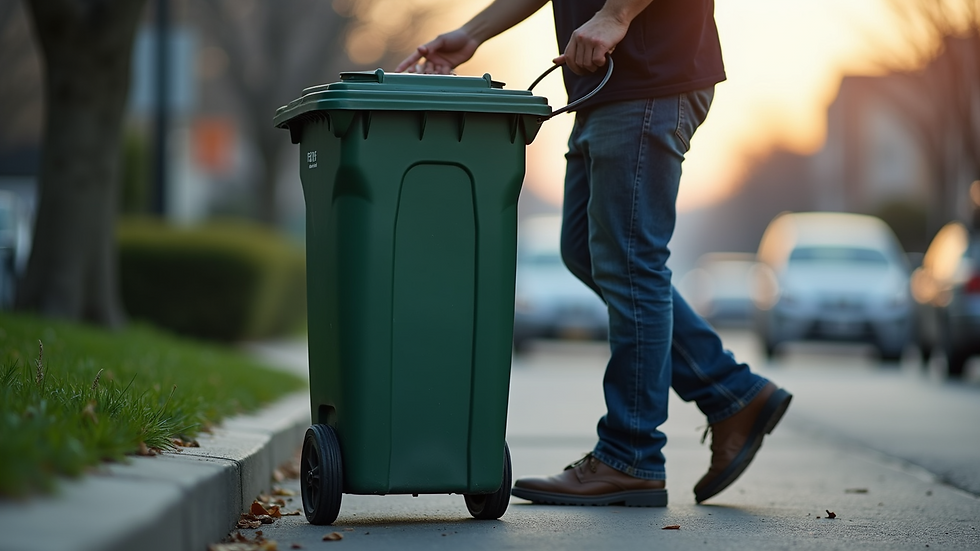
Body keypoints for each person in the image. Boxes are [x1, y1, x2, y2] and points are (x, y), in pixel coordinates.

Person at [396, 0, 792, 506]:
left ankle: (631, 454)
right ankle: (731, 392)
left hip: (647, 74)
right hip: (605, 86)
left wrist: (616, 15)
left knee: (631, 262)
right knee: (585, 250)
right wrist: (473, 33)